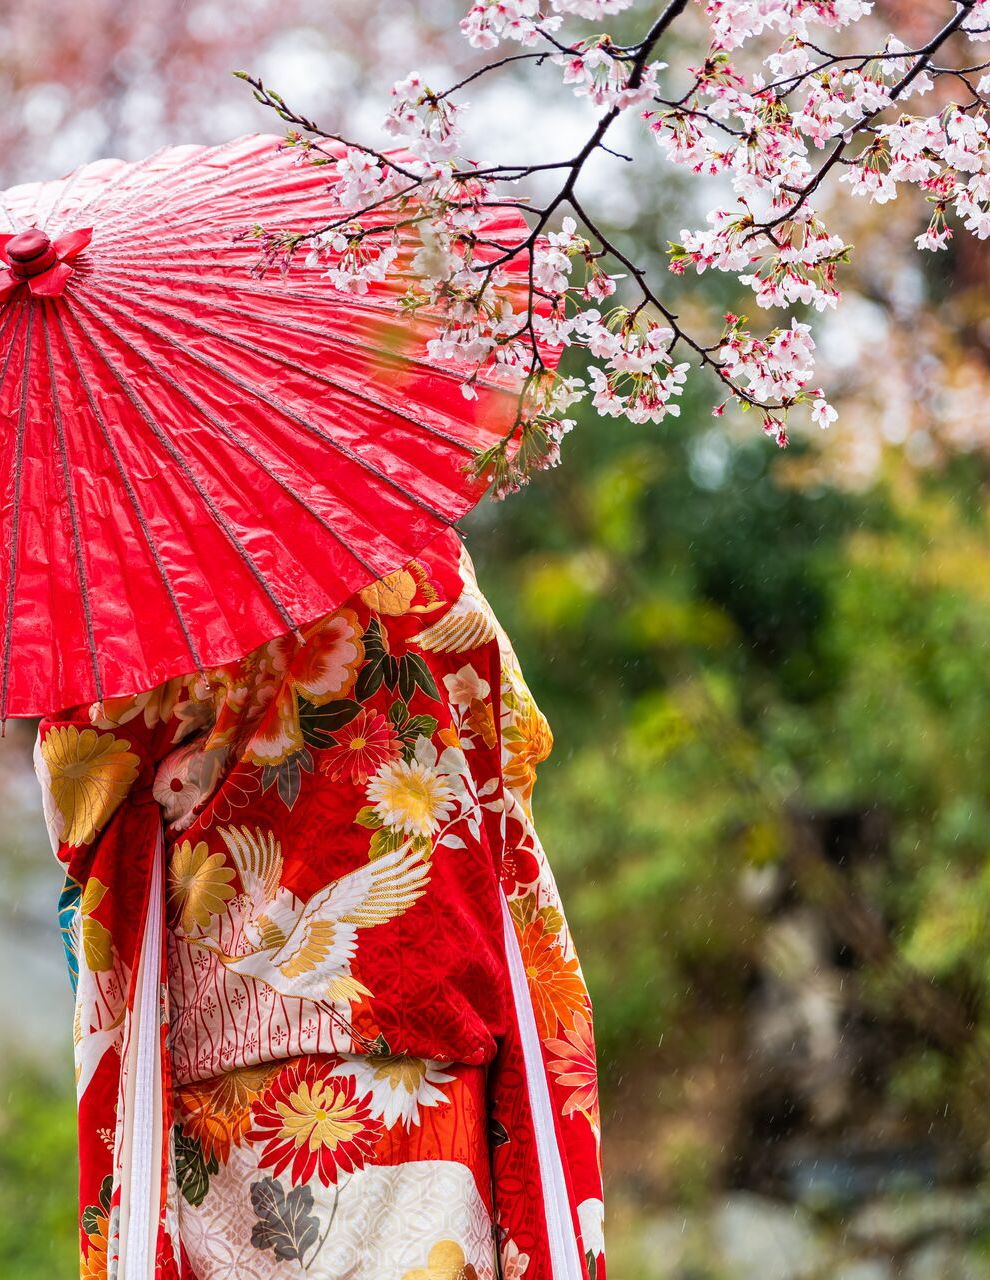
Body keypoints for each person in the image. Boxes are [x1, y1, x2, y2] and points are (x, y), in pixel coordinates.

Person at [34, 529, 603, 1280]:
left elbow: (80, 782)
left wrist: (213, 759)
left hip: (236, 1031)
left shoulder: (156, 573)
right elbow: (511, 739)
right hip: (425, 997)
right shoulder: (419, 551)